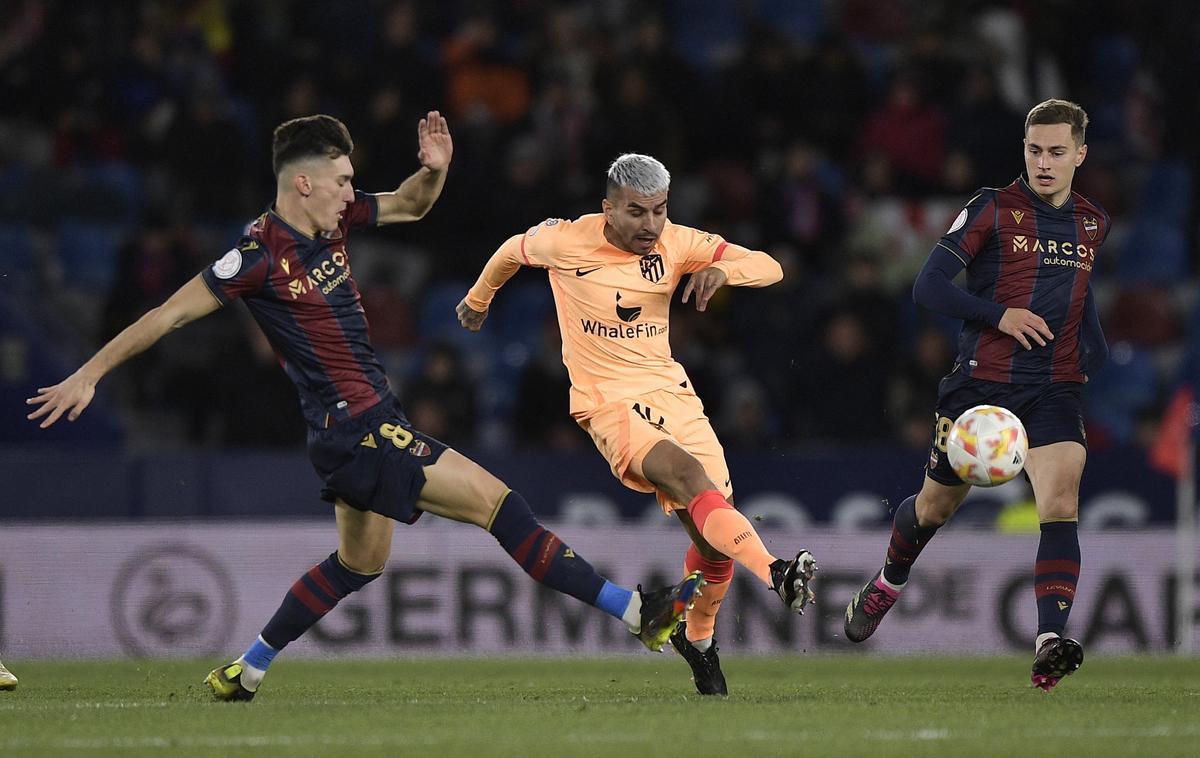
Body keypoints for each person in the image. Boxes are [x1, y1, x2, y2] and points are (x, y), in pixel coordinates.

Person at [26, 113, 704, 701]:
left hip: (359, 427)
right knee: (501, 506)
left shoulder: (339, 220)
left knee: (359, 564)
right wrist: (89, 372)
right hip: (359, 429)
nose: (353, 190)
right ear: (304, 183)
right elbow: (168, 315)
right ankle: (636, 611)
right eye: (344, 179)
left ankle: (247, 669)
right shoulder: (258, 255)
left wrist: (434, 171)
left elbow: (411, 203)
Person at [457, 153, 818, 696]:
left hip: (672, 393)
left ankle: (698, 641)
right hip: (606, 400)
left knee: (713, 538)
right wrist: (478, 300)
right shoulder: (567, 241)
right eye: (635, 212)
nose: (650, 225)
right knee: (686, 475)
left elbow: (773, 266)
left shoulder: (677, 242)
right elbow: (512, 250)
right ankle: (775, 572)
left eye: (659, 210)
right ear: (607, 208)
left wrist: (723, 269)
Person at [843, 99, 1110, 691]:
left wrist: (1095, 351)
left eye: (1057, 153)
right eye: (1034, 150)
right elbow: (928, 286)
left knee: (1060, 502)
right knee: (935, 508)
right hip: (980, 388)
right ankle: (889, 580)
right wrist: (1000, 315)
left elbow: (1079, 295)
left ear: (1080, 155)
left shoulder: (1094, 222)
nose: (1043, 163)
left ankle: (1048, 642)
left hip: (1054, 388)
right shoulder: (991, 207)